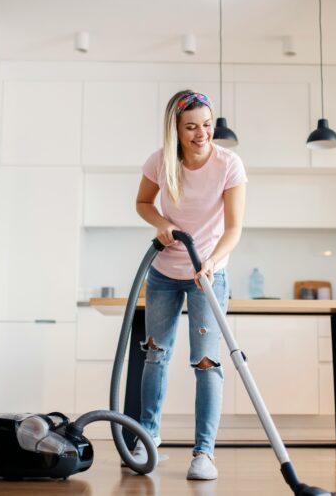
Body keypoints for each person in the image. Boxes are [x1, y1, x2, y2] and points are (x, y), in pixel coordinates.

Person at [132, 90, 247, 480]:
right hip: (164, 272)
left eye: (208, 125)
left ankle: (204, 454)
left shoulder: (229, 164)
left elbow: (233, 228)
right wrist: (162, 224)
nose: (202, 134)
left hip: (208, 274)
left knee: (206, 362)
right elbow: (144, 203)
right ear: (176, 130)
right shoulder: (160, 162)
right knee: (155, 355)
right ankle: (147, 440)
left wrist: (212, 261)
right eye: (192, 127)